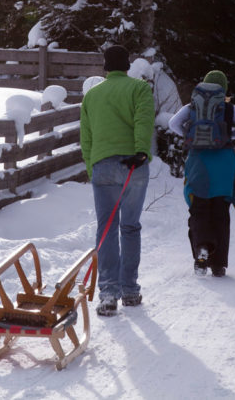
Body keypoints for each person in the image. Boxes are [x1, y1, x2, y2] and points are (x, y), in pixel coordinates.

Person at [79, 44, 155, 317]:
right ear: (128, 66)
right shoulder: (139, 89)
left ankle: (108, 293)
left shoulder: (92, 96)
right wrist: (140, 152)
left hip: (103, 165)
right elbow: (143, 122)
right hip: (133, 167)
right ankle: (130, 291)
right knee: (130, 227)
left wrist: (92, 168)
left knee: (106, 228)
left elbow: (85, 138)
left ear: (105, 67)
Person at [168, 70, 235, 277]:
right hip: (224, 162)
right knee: (220, 213)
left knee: (199, 209)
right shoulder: (230, 108)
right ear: (223, 88)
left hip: (199, 162)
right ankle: (218, 265)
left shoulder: (192, 106)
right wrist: (228, 136)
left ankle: (202, 250)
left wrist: (190, 135)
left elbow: (173, 124)